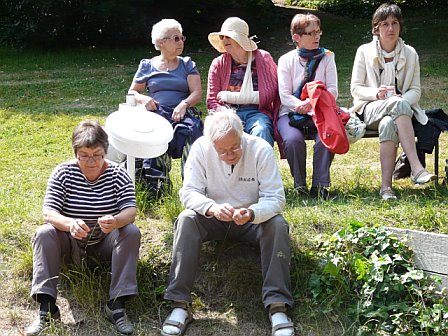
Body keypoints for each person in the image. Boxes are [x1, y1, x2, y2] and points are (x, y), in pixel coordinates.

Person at [161, 108, 294, 336]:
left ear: (242, 135)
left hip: (252, 219)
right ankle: (180, 304)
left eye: (234, 147)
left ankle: (277, 305)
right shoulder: (201, 148)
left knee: (278, 225)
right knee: (185, 219)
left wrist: (252, 213)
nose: (229, 155)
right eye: (222, 151)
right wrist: (211, 208)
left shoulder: (260, 149)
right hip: (213, 218)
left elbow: (276, 198)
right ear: (211, 143)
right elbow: (189, 193)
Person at [26, 120, 140, 336]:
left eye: (96, 155)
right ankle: (47, 307)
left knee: (130, 231)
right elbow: (48, 213)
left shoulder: (118, 174)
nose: (91, 161)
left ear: (106, 151)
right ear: (75, 153)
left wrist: (115, 221)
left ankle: (117, 305)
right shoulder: (63, 173)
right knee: (44, 232)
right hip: (70, 249)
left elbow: (131, 211)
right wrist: (69, 224)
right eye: (84, 155)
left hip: (106, 247)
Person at [350, 3, 435, 200]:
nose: (390, 29)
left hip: (398, 115)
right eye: (385, 24)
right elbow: (355, 89)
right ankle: (416, 168)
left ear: (400, 26)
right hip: (368, 110)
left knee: (390, 122)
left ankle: (386, 188)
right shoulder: (364, 51)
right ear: (376, 28)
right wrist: (377, 94)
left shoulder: (410, 53)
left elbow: (415, 91)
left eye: (395, 23)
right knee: (397, 106)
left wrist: (401, 100)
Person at [128, 18, 202, 192]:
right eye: (175, 38)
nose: (180, 42)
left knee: (193, 134)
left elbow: (197, 93)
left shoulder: (187, 64)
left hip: (182, 113)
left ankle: (193, 187)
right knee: (153, 137)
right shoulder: (147, 65)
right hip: (157, 114)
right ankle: (158, 187)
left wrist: (184, 104)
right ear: (161, 43)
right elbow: (132, 92)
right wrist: (143, 99)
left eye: (182, 38)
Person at [277, 13, 337, 199]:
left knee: (326, 138)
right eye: (311, 33)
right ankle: (300, 185)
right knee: (293, 141)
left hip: (320, 111)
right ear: (297, 37)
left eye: (318, 32)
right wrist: (300, 105)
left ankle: (320, 187)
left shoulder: (327, 57)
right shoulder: (286, 60)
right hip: (290, 113)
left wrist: (312, 104)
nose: (317, 37)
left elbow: (333, 90)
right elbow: (284, 95)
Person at [207, 17, 280, 148]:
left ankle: (262, 167)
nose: (224, 40)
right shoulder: (218, 63)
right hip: (228, 113)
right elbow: (212, 100)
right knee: (225, 135)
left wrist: (230, 96)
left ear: (240, 40)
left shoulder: (263, 58)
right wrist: (225, 115)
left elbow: (271, 93)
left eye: (228, 36)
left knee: (261, 130)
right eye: (222, 37)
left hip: (258, 112)